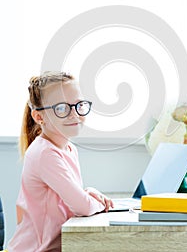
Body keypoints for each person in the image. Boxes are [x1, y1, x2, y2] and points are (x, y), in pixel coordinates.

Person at [7, 71, 113, 252]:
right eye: (62, 108)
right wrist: (97, 204)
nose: (74, 114)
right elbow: (82, 207)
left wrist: (88, 192)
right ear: (39, 117)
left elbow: (67, 199)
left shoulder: (69, 149)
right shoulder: (45, 154)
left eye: (79, 105)